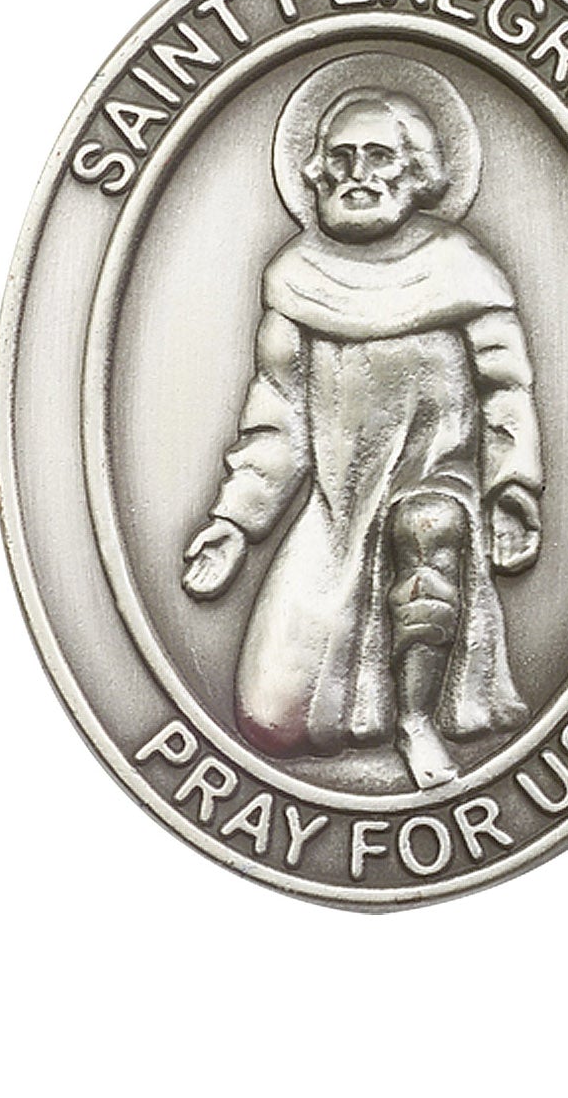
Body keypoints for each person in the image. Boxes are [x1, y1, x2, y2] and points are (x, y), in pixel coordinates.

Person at [182, 80, 542, 788]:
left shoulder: (461, 269)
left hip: (437, 481)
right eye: (341, 158)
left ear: (417, 172)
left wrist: (512, 488)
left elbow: (507, 390)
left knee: (428, 526)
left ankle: (417, 722)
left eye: (379, 157)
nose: (357, 175)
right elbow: (278, 416)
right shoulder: (297, 279)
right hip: (339, 505)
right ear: (317, 171)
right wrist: (233, 524)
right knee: (269, 720)